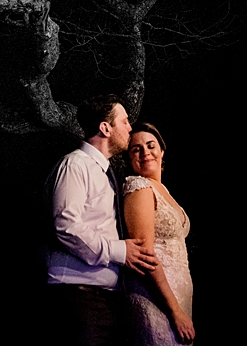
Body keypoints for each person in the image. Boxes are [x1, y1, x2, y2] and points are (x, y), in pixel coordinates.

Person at [47, 94, 158, 346]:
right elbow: (65, 226)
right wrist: (119, 251)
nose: (131, 128)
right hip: (77, 294)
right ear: (105, 127)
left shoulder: (104, 172)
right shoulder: (75, 164)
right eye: (125, 121)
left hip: (103, 296)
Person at [122, 123, 195, 345]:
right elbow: (145, 253)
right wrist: (174, 310)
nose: (145, 152)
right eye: (136, 149)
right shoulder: (140, 187)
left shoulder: (161, 189)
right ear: (129, 158)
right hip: (156, 300)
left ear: (162, 151)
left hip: (179, 299)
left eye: (150, 145)